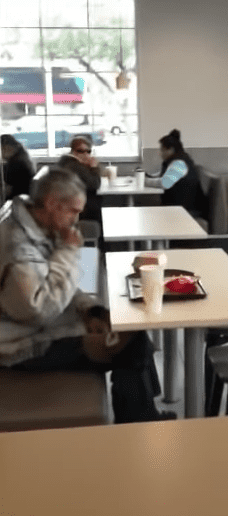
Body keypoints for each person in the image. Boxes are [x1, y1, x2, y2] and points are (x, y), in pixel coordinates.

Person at [0, 168, 175, 422]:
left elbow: (61, 286)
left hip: (39, 328)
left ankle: (142, 412)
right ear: (51, 204)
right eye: (73, 210)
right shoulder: (18, 247)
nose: (76, 219)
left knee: (131, 327)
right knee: (131, 344)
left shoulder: (35, 225)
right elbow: (38, 311)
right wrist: (69, 252)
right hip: (22, 346)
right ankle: (137, 421)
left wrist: (91, 309)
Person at [145, 129, 206, 216]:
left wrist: (144, 181)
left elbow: (165, 183)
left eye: (162, 150)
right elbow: (165, 174)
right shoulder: (177, 160)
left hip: (187, 210)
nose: (160, 153)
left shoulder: (179, 164)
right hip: (180, 207)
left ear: (171, 149)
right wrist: (148, 176)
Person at [58, 135, 109, 224]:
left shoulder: (70, 162)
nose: (85, 154)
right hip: (81, 206)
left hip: (77, 201)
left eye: (88, 151)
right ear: (73, 151)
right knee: (107, 206)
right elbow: (95, 184)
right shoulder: (74, 166)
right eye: (80, 151)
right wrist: (93, 167)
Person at [0, 134, 35, 201]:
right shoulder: (22, 154)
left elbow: (7, 191)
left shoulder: (16, 163)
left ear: (7, 147)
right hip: (25, 194)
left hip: (17, 198)